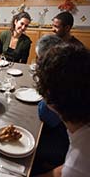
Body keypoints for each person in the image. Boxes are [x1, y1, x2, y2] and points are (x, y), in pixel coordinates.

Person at [33, 44, 90, 177]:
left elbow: (71, 169)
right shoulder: (81, 128)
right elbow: (63, 170)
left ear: (47, 96)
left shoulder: (78, 166)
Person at [31, 35, 70, 175]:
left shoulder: (61, 79)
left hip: (61, 143)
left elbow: (46, 114)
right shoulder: (69, 69)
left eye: (39, 59)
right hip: (66, 133)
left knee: (31, 145)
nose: (37, 63)